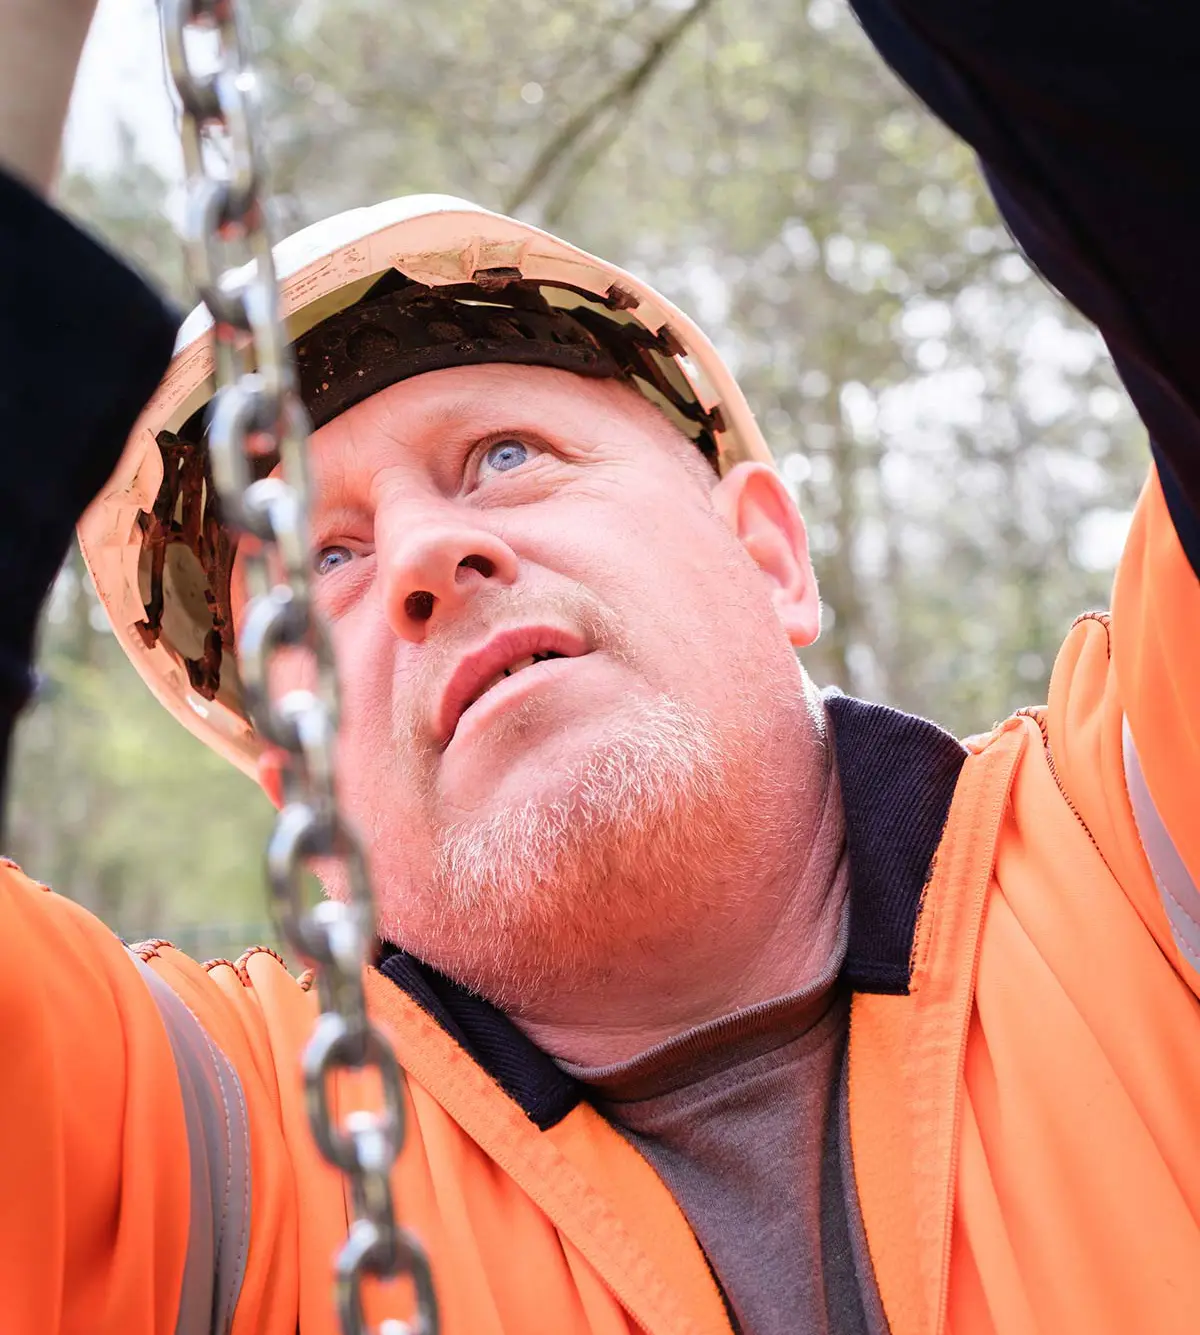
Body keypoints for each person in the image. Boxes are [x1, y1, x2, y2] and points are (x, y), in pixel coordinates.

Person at [2, 0, 1199, 1332]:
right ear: (296, 790)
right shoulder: (207, 1172)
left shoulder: (1150, 855)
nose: (426, 557)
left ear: (769, 555)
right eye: (319, 561)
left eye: (505, 454)